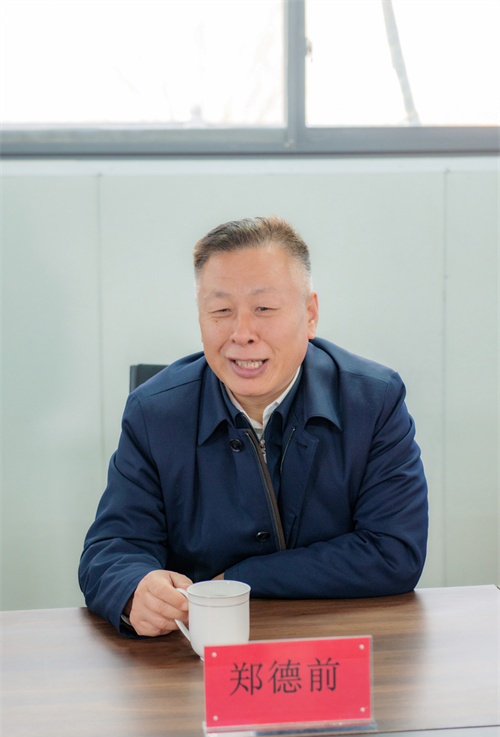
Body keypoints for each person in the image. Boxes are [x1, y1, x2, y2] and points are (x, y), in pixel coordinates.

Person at [79, 216, 428, 638]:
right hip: (199, 651)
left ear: (310, 314)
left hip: (334, 646)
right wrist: (135, 590)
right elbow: (111, 550)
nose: (241, 333)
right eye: (220, 311)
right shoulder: (154, 413)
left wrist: (239, 580)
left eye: (264, 309)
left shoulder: (372, 401)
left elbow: (394, 552)